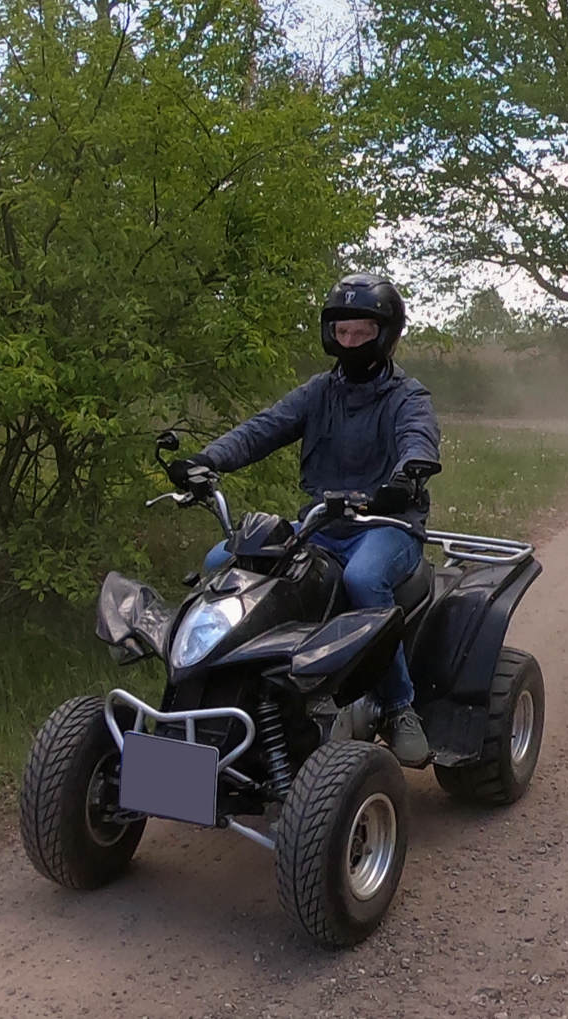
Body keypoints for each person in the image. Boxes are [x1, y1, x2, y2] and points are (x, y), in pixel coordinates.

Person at [167, 273, 441, 766]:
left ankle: (400, 707)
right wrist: (207, 460)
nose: (350, 341)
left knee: (363, 579)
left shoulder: (408, 397)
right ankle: (209, 699)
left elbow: (418, 438)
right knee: (223, 561)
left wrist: (407, 476)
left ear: (385, 335)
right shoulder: (319, 392)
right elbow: (263, 428)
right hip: (322, 525)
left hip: (385, 527)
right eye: (342, 331)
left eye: (361, 332)